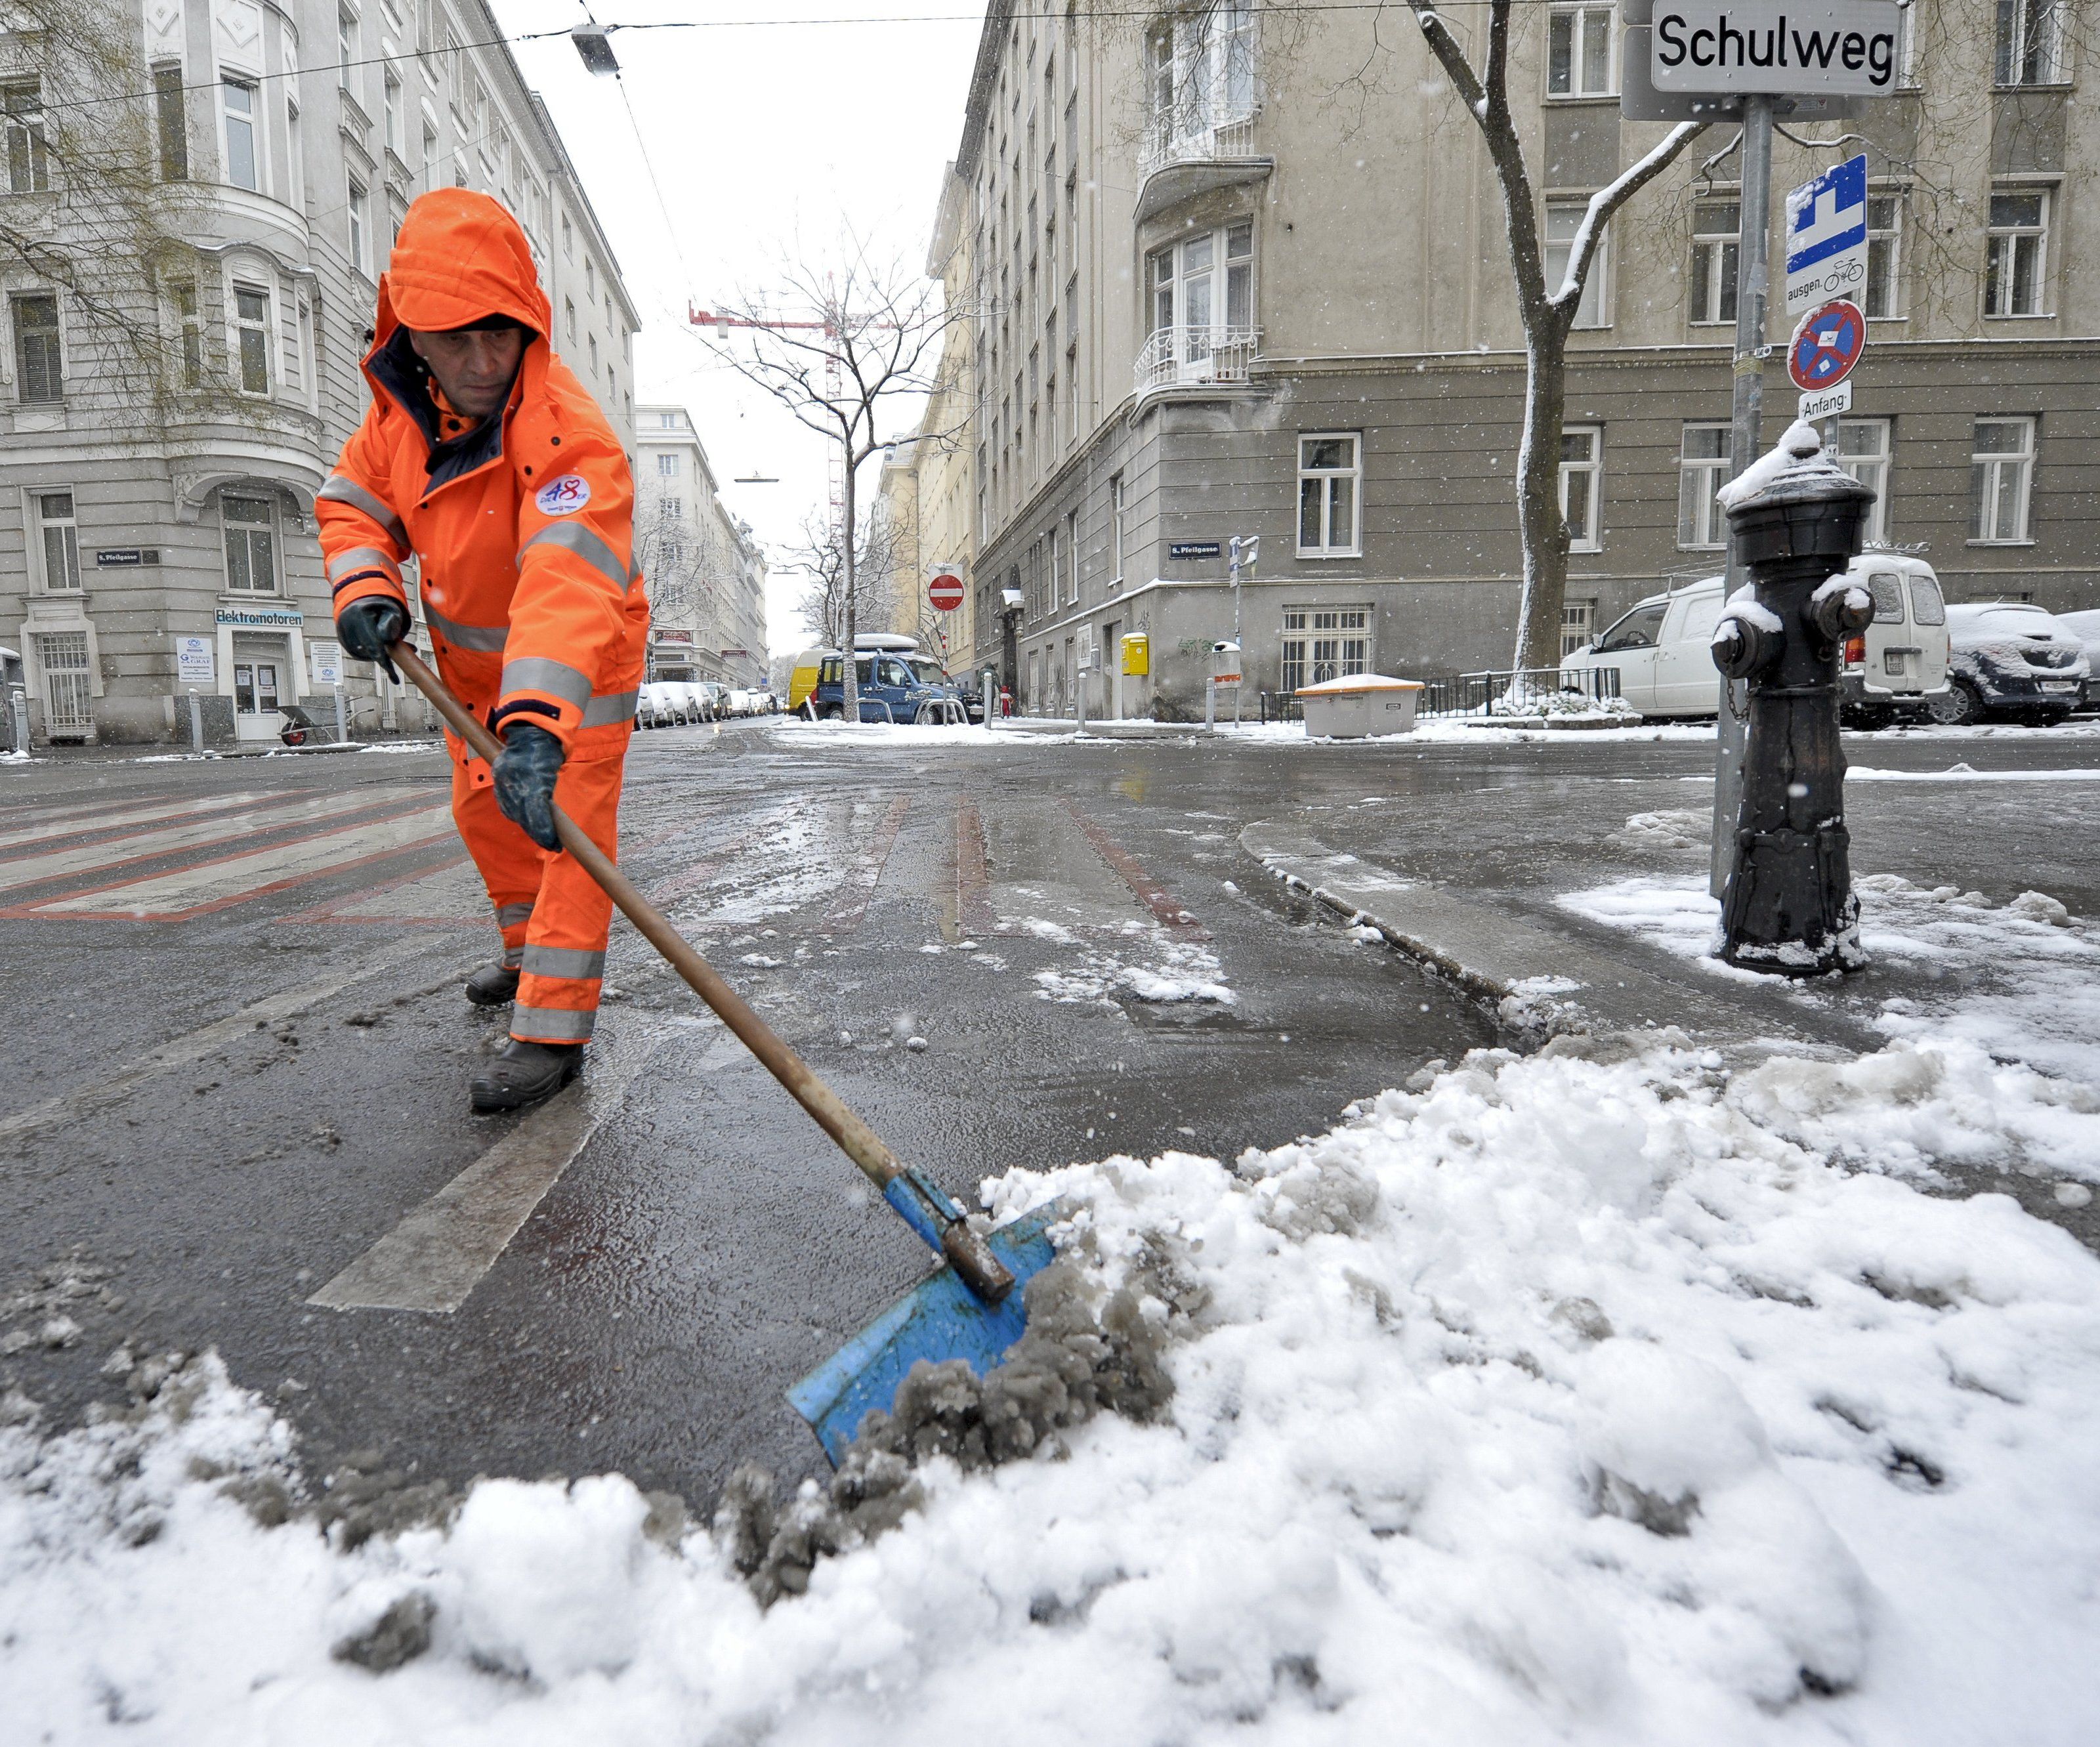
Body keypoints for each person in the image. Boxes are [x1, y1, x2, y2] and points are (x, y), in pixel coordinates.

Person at [318, 189, 647, 1112]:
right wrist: (366, 587)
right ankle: (524, 951)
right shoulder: (397, 425)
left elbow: (566, 578)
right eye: (453, 340)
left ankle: (552, 1031)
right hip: (470, 673)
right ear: (412, 339)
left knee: (564, 832)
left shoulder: (567, 435)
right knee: (485, 813)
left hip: (578, 667)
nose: (480, 363)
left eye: (497, 336)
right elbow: (351, 508)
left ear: (526, 325)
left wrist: (538, 723)